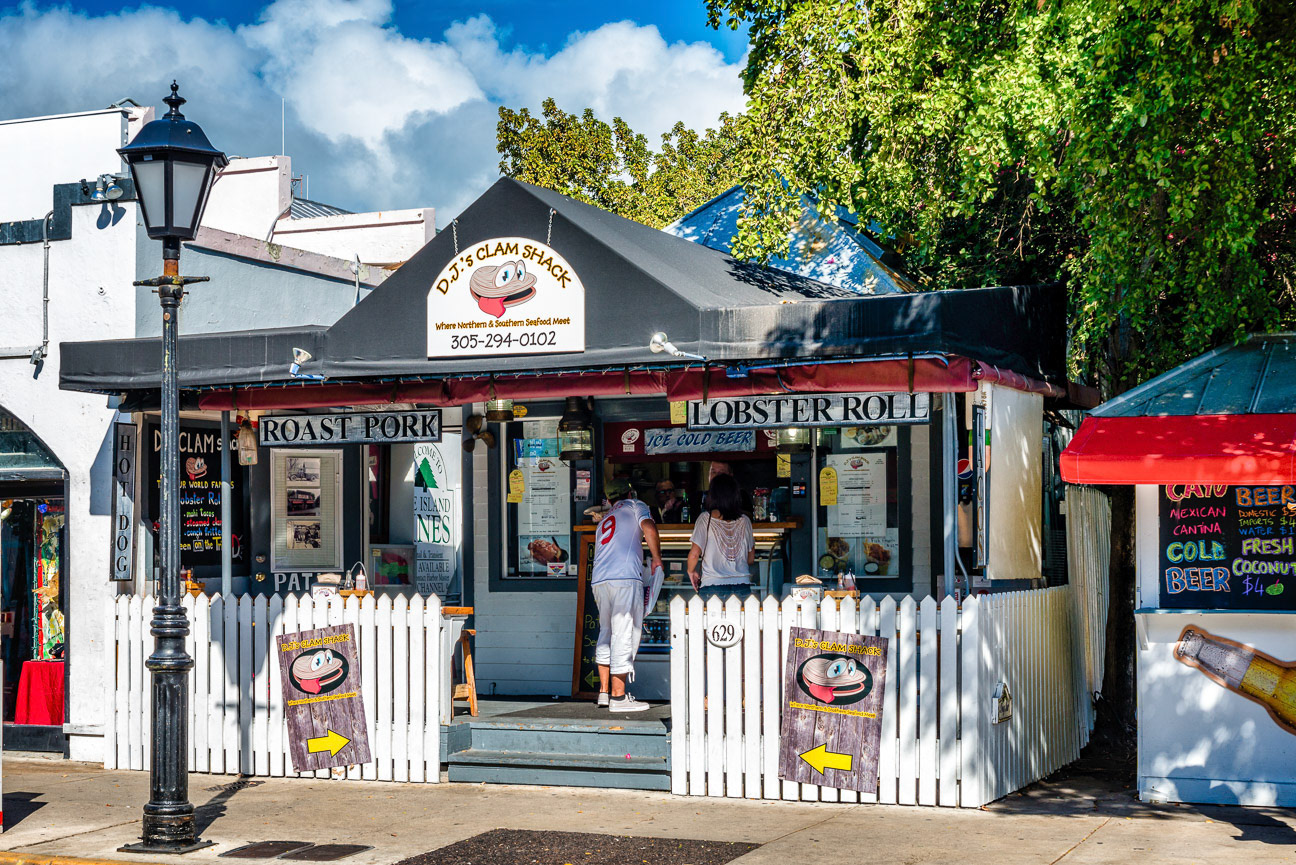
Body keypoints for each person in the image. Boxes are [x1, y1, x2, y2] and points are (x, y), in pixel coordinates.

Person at [591, 479, 663, 712]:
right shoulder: (635, 505)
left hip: (600, 580)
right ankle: (619, 698)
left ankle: (604, 692)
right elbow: (649, 527)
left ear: (609, 500)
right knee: (623, 632)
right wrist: (657, 559)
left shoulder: (605, 519)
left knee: (606, 632)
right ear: (630, 493)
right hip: (624, 577)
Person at [686, 473, 755, 599]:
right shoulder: (745, 520)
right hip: (742, 586)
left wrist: (691, 571)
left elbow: (694, 554)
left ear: (712, 496)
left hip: (712, 585)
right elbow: (750, 559)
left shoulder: (705, 519)